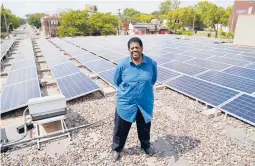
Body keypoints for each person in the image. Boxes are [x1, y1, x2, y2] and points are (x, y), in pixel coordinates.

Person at [112, 37, 158, 161]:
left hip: (144, 102)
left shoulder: (151, 64)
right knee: (120, 128)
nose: (134, 50)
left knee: (144, 126)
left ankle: (145, 145)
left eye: (137, 47)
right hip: (126, 102)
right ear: (128, 50)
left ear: (142, 48)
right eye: (132, 48)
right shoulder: (122, 65)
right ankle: (117, 148)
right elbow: (117, 81)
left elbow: (153, 80)